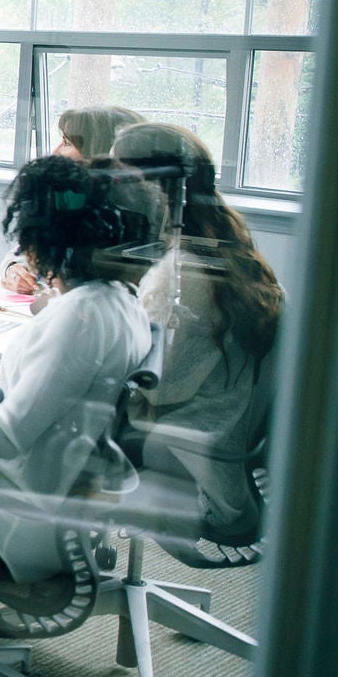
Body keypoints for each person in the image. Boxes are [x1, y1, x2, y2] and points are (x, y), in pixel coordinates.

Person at [0, 156, 156, 580]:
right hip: (60, 496)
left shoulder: (80, 317)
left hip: (20, 514)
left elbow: (9, 436)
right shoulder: (123, 301)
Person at [110, 123, 283, 540]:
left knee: (42, 423)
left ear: (149, 188)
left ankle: (41, 565)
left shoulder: (179, 273)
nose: (109, 190)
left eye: (116, 177)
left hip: (185, 454)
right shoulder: (225, 245)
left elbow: (155, 386)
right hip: (217, 439)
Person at [0, 104, 146, 294]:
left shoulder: (123, 217)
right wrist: (14, 269)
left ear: (97, 152)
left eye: (67, 143)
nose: (55, 152)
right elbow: (23, 252)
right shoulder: (73, 199)